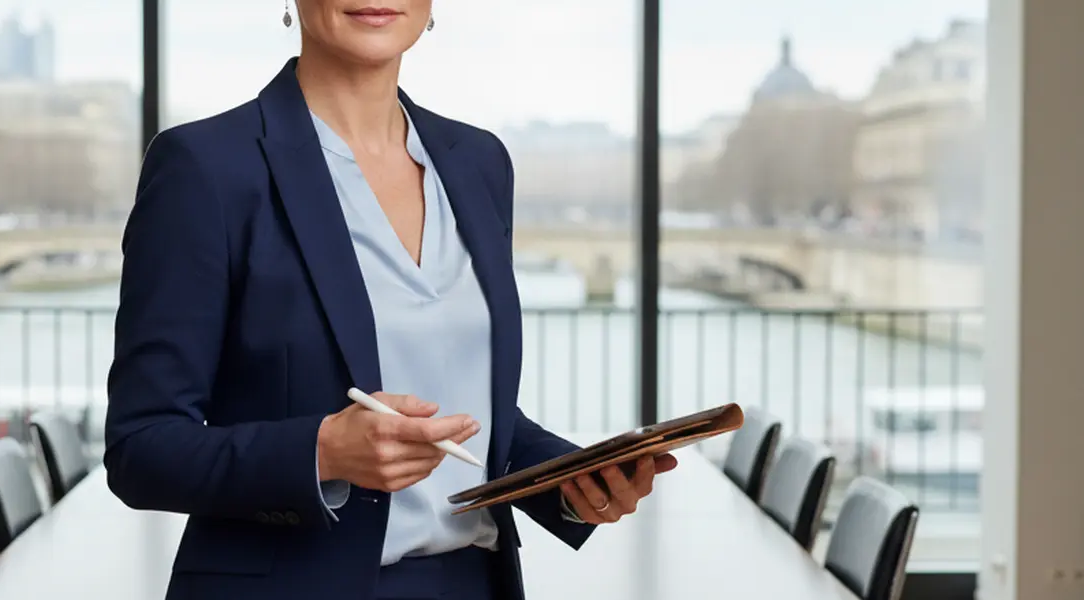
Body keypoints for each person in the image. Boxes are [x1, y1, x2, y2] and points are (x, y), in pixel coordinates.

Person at [103, 1, 677, 598]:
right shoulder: (206, 168)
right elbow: (141, 449)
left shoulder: (479, 164)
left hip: (472, 583)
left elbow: (472, 418)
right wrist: (320, 453)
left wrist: (572, 480)